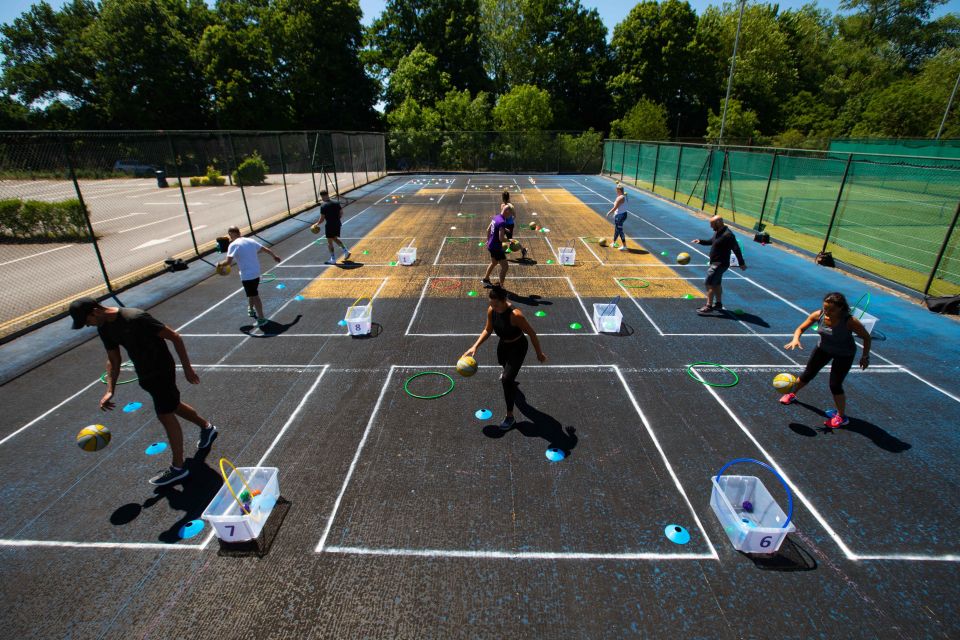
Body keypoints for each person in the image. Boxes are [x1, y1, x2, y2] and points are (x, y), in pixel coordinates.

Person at [69, 297, 218, 486]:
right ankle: (207, 428)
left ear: (95, 311)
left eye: (86, 321)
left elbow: (175, 337)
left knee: (165, 414)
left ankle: (178, 467)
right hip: (145, 373)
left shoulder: (135, 317)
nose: (88, 326)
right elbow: (113, 360)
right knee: (173, 405)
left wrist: (187, 368)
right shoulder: (104, 328)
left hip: (162, 369)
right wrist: (110, 390)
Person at [462, 286, 547, 430]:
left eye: (496, 304)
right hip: (503, 345)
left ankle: (510, 417)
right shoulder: (491, 310)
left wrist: (539, 353)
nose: (493, 307)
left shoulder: (516, 315)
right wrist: (475, 346)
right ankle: (510, 378)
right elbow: (488, 329)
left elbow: (532, 334)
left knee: (507, 379)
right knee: (503, 364)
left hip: (518, 346)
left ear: (504, 301)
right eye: (491, 304)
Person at [781, 292, 871, 428]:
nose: (827, 312)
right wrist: (795, 338)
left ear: (841, 308)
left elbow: (866, 337)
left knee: (835, 385)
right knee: (807, 374)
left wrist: (865, 357)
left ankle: (841, 417)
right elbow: (800, 328)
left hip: (844, 354)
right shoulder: (819, 314)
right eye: (825, 308)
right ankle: (792, 394)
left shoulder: (850, 321)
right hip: (823, 349)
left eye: (831, 309)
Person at [218, 225, 280, 327]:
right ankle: (251, 309)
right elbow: (265, 249)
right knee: (251, 293)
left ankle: (261, 318)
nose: (229, 236)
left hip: (247, 275)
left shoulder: (233, 245)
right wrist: (274, 256)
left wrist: (219, 264)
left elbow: (228, 262)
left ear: (232, 234)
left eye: (230, 234)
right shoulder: (250, 240)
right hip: (256, 272)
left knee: (255, 295)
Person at [691, 215, 747, 314]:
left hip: (719, 264)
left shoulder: (728, 235)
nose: (711, 227)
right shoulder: (718, 232)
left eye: (712, 224)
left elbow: (736, 249)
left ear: (718, 223)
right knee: (716, 283)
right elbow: (712, 242)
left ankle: (708, 306)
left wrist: (741, 263)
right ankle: (718, 304)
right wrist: (701, 241)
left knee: (709, 283)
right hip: (717, 263)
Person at [311, 189, 351, 265]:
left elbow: (322, 219)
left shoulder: (323, 205)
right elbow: (341, 213)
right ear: (327, 194)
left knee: (330, 242)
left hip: (329, 225)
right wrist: (337, 219)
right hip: (337, 223)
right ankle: (346, 251)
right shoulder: (336, 202)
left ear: (322, 196)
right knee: (334, 238)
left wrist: (316, 224)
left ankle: (333, 259)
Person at [482, 202, 510, 288]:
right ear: (507, 212)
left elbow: (488, 229)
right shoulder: (502, 222)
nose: (511, 215)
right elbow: (501, 238)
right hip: (496, 247)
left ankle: (486, 280)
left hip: (491, 245)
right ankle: (501, 286)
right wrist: (509, 240)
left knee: (494, 262)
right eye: (511, 213)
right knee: (505, 267)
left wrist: (488, 240)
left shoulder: (496, 217)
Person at [500, 191, 528, 260]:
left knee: (509, 240)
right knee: (504, 238)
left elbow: (503, 217)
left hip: (506, 225)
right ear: (509, 197)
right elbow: (514, 216)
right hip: (510, 224)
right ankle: (502, 251)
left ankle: (523, 250)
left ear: (503, 198)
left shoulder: (503, 206)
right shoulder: (511, 206)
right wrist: (510, 220)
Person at [604, 184, 629, 251]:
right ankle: (614, 242)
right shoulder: (624, 196)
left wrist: (609, 212)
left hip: (620, 216)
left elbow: (615, 207)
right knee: (617, 229)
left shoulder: (620, 198)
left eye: (617, 190)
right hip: (621, 214)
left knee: (620, 230)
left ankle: (624, 246)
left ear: (619, 190)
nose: (616, 192)